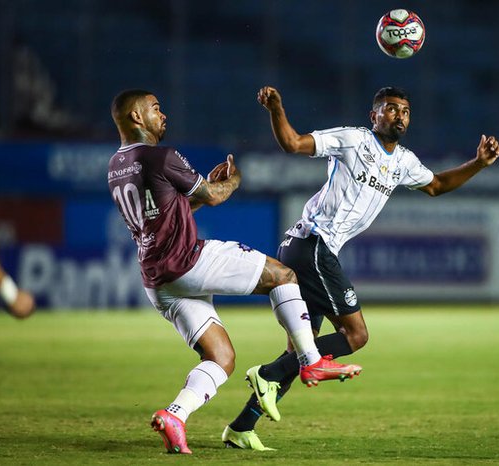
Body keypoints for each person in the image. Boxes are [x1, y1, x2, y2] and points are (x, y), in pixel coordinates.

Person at [222, 85, 499, 450]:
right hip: (312, 245)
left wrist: (478, 163)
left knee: (302, 350)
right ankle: (268, 374)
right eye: (390, 109)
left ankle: (242, 426)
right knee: (356, 336)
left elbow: (436, 185)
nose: (398, 115)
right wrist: (277, 108)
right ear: (374, 116)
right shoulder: (353, 140)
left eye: (404, 110)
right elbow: (292, 143)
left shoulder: (403, 161)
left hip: (309, 249)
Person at [107, 89, 362, 455]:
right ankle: (310, 362)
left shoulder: (116, 165)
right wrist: (233, 180)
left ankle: (175, 416)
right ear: (136, 117)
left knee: (221, 357)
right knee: (284, 276)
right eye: (156, 109)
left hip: (158, 281)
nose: (163, 115)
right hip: (187, 261)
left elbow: (171, 212)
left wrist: (200, 191)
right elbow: (214, 196)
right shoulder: (159, 156)